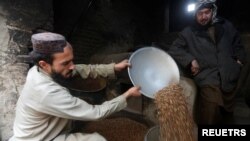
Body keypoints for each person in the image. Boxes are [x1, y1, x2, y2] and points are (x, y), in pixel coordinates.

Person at [9, 32, 141, 141]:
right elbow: (96, 113)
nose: (72, 66)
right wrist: (127, 95)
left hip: (51, 132)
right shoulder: (46, 92)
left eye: (72, 60)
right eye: (65, 63)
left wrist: (113, 68)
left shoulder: (39, 70)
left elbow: (82, 69)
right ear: (44, 64)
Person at [167, 0, 246, 124]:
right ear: (195, 14)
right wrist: (191, 60)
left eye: (207, 12)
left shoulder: (225, 26)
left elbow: (238, 44)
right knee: (210, 110)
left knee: (228, 115)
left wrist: (239, 62)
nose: (204, 17)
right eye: (200, 13)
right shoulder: (189, 32)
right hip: (207, 76)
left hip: (228, 75)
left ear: (212, 11)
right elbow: (174, 48)